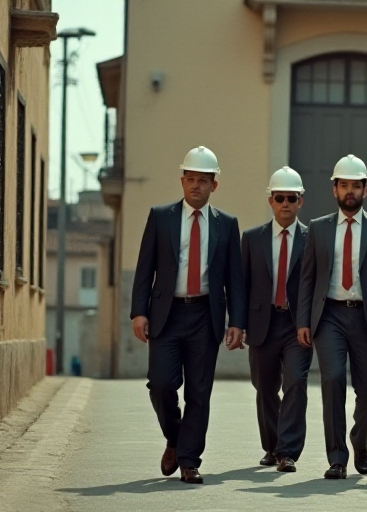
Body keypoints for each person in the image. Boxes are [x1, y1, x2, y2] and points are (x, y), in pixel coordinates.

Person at [130, 146, 245, 484]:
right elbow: (144, 268)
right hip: (166, 314)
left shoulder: (226, 224)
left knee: (199, 391)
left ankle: (190, 460)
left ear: (214, 185)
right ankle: (175, 437)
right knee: (162, 384)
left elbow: (234, 279)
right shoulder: (160, 216)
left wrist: (237, 321)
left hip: (205, 316)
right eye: (191, 179)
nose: (196, 185)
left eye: (203, 180)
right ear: (182, 181)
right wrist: (139, 311)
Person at [295, 154, 367, 480]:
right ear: (335, 189)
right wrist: (303, 321)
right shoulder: (318, 228)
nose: (350, 191)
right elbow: (308, 279)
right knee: (331, 380)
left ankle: (360, 438)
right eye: (344, 185)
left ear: (365, 190)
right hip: (329, 316)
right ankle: (337, 457)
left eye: (356, 185)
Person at [239, 166, 312, 473]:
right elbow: (242, 284)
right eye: (279, 197)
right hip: (262, 323)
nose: (285, 204)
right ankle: (272, 446)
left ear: (300, 202)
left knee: (295, 382)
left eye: (291, 198)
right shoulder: (252, 238)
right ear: (270, 200)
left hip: (297, 325)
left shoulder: (312, 238)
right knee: (265, 386)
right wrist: (238, 324)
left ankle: (288, 451)